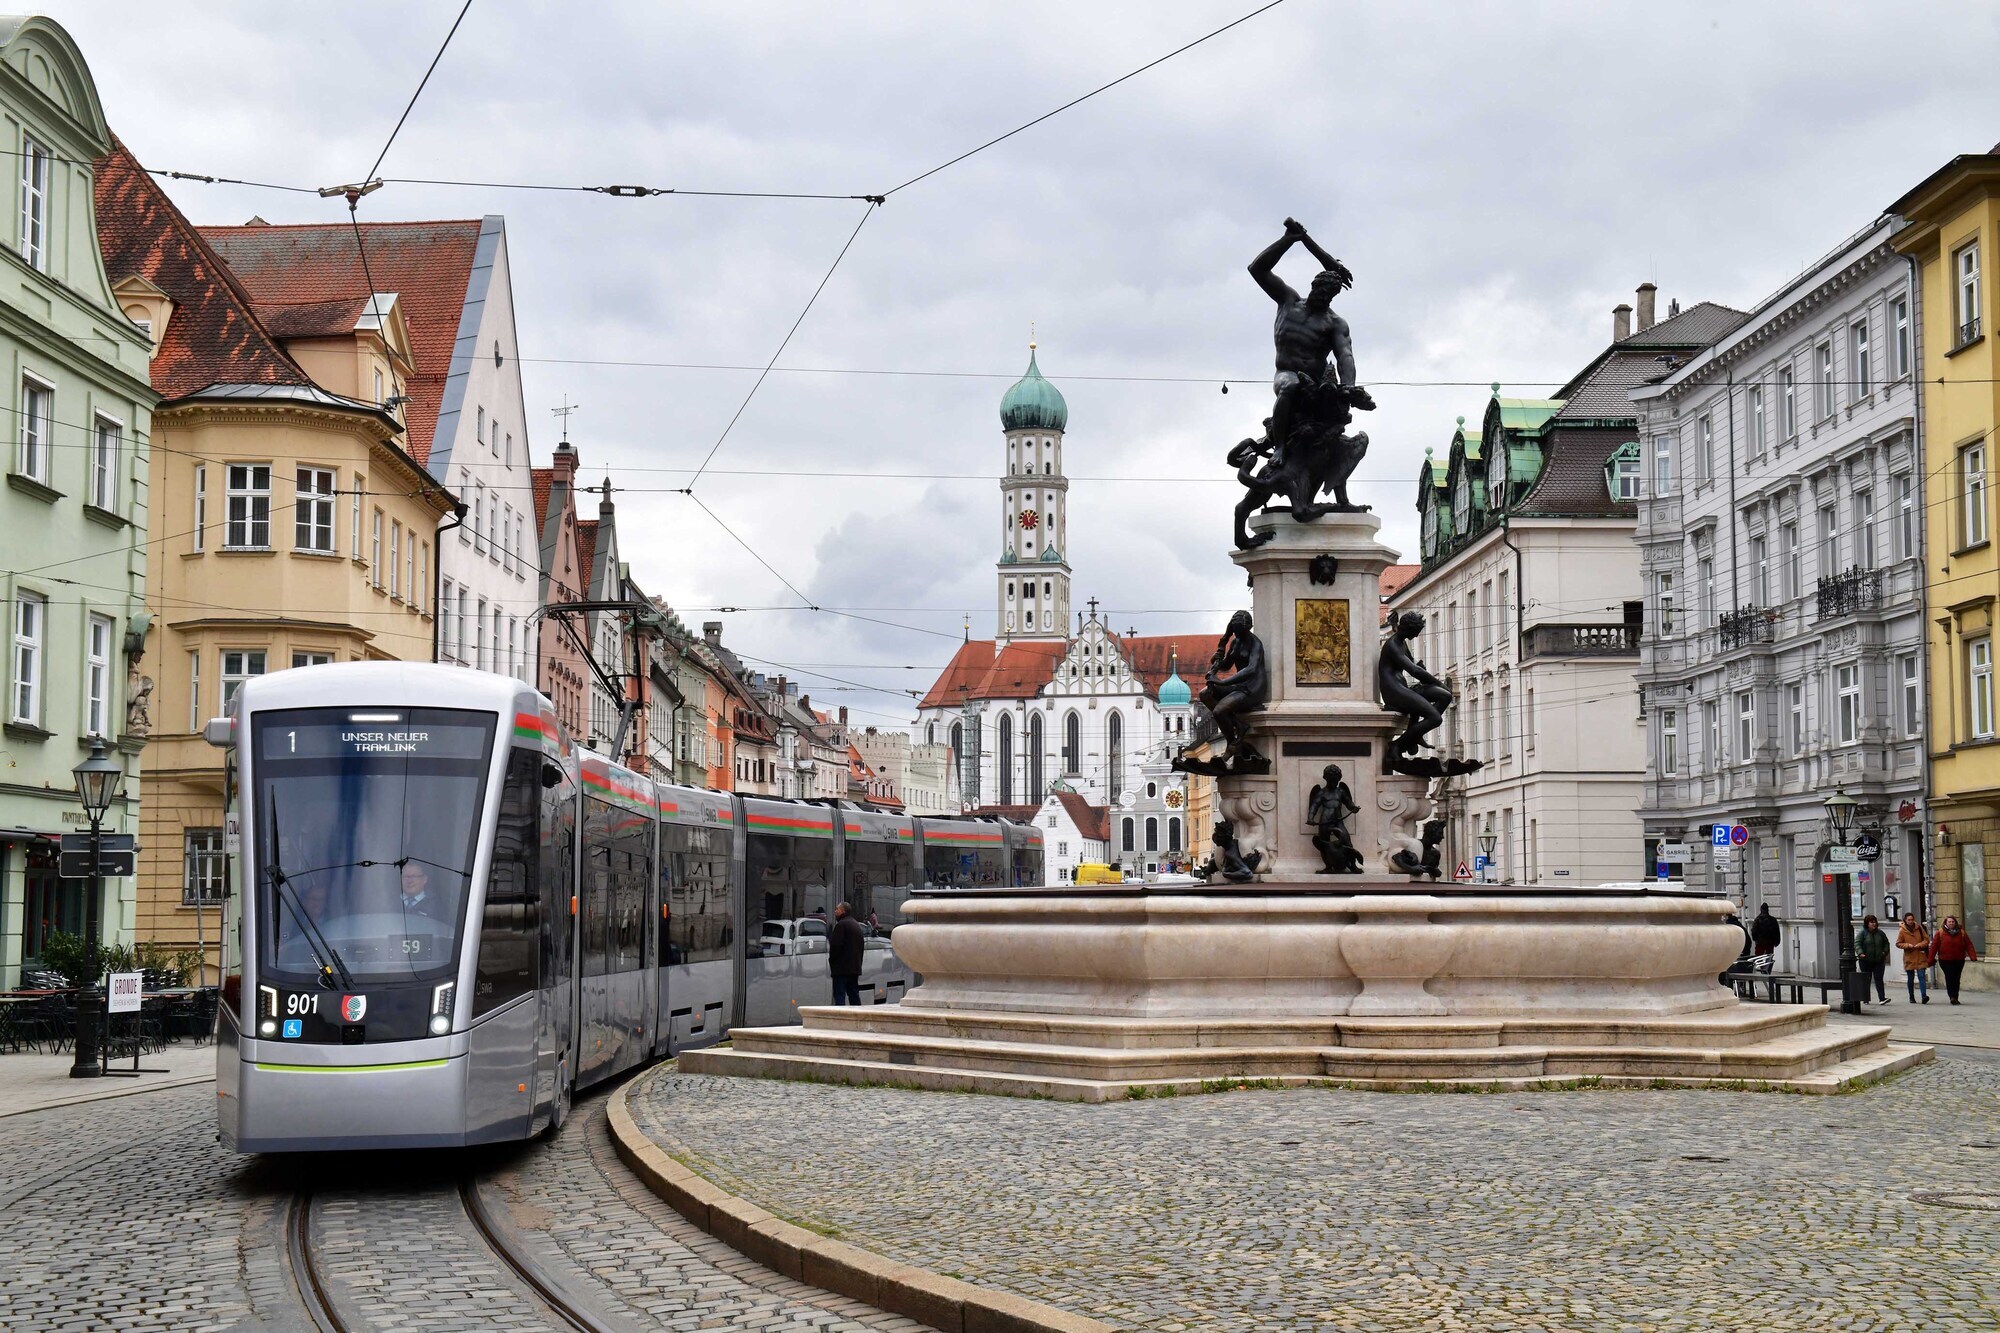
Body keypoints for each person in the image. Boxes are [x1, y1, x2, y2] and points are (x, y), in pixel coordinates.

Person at [1930, 915, 1980, 1005]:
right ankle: (1952, 996)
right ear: (1946, 923)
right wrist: (1930, 959)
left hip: (1959, 960)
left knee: (1956, 978)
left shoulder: (1961, 932)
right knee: (1949, 977)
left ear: (1955, 923)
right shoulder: (1940, 933)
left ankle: (1955, 996)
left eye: (1953, 922)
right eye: (1949, 922)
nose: (1951, 923)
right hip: (1945, 960)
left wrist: (1972, 956)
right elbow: (1934, 946)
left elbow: (1968, 944)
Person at [828, 901, 865, 1006]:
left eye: (837, 909)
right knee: (854, 995)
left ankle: (840, 1020)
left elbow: (835, 946)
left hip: (841, 969)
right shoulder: (856, 925)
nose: (835, 911)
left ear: (843, 911)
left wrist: (832, 961)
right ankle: (858, 1017)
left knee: (840, 996)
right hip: (854, 969)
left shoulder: (841, 925)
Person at [1855, 915, 1892, 1004]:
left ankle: (1882, 998)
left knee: (1879, 979)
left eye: (1875, 922)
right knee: (1866, 979)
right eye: (1871, 922)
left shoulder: (1880, 933)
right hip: (1865, 960)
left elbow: (1886, 943)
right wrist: (1860, 953)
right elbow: (1857, 944)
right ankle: (1865, 998)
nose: (1874, 924)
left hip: (1879, 960)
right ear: (1867, 924)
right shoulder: (1862, 933)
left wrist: (1884, 952)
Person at [1896, 912, 1932, 1004]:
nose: (1911, 921)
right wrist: (1907, 945)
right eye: (1909, 920)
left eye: (1912, 919)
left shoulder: (1919, 928)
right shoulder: (1902, 930)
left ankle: (1924, 996)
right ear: (1905, 920)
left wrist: (1920, 944)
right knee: (1910, 978)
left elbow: (1926, 939)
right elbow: (1898, 943)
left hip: (1920, 955)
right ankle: (1911, 996)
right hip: (1909, 956)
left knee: (1921, 976)